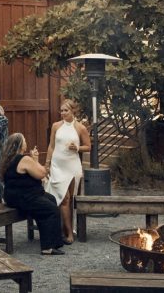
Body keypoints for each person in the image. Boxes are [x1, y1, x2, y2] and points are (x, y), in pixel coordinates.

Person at [0, 133, 64, 255]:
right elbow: (41, 174)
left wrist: (34, 160)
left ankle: (54, 239)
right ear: (20, 145)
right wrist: (35, 160)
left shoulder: (8, 159)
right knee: (52, 209)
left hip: (12, 196)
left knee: (51, 199)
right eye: (24, 140)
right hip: (24, 196)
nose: (26, 142)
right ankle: (47, 247)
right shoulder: (24, 159)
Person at [44, 99, 90, 244]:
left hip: (72, 167)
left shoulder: (80, 128)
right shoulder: (56, 126)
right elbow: (51, 146)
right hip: (57, 166)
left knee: (70, 200)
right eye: (62, 110)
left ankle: (67, 230)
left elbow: (88, 146)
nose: (63, 113)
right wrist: (47, 164)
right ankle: (68, 233)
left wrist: (77, 147)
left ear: (73, 111)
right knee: (64, 198)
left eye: (66, 110)